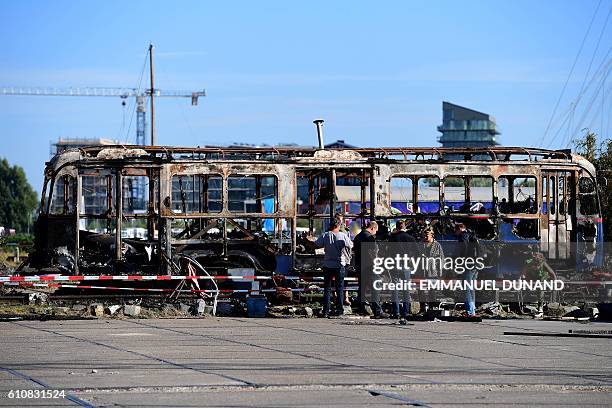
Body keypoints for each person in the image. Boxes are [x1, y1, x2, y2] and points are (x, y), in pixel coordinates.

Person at [314, 218, 353, 317]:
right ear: (339, 226)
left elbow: (316, 245)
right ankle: (339, 310)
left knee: (327, 288)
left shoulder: (325, 235)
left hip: (327, 265)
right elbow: (350, 245)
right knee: (339, 288)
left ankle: (326, 311)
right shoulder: (343, 236)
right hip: (339, 265)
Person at [353, 221, 388, 318]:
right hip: (370, 266)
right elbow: (372, 253)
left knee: (362, 289)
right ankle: (377, 311)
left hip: (360, 266)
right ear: (372, 228)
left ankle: (361, 309)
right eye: (375, 231)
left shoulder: (357, 237)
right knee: (375, 289)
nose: (375, 233)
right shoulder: (369, 238)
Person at [389, 220, 415, 318]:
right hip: (406, 265)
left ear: (396, 227)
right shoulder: (410, 238)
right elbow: (416, 252)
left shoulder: (392, 238)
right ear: (404, 227)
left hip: (395, 264)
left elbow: (388, 252)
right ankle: (406, 312)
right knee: (406, 289)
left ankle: (396, 312)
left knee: (395, 289)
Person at [455, 223, 479, 316]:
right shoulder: (472, 235)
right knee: (471, 288)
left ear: (460, 229)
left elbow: (463, 249)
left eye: (456, 230)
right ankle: (472, 311)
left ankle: (469, 311)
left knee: (466, 288)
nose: (455, 233)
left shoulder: (463, 236)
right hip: (476, 264)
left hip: (468, 264)